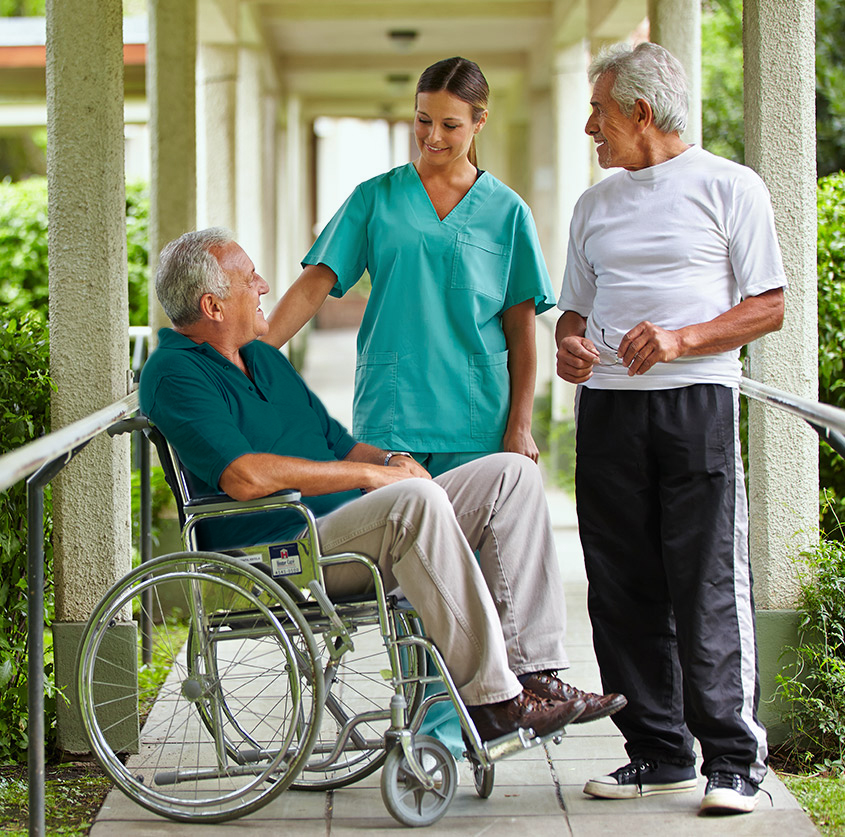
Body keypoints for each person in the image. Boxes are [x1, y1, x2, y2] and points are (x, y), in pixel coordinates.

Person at [140, 228, 625, 747]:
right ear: (213, 306)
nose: (263, 285)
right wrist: (375, 478)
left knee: (513, 474)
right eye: (248, 278)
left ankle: (533, 676)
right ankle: (494, 703)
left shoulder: (261, 358)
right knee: (411, 501)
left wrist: (392, 460)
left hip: (354, 528)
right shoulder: (174, 373)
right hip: (284, 549)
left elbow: (339, 445)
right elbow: (244, 476)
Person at [261, 56, 575, 751]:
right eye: (422, 120)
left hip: (478, 419)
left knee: (479, 583)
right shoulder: (376, 198)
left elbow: (523, 330)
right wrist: (256, 346)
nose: (432, 136)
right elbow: (316, 285)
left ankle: (478, 719)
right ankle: (429, 731)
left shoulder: (505, 211)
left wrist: (520, 424)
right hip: (394, 422)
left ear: (479, 122)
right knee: (407, 584)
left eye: (450, 125)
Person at [555, 42, 786, 816]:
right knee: (620, 584)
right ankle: (657, 752)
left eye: (598, 110)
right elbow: (575, 314)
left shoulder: (730, 185)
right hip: (610, 409)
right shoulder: (594, 205)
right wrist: (569, 346)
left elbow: (768, 305)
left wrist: (682, 338)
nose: (591, 125)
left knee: (704, 581)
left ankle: (732, 760)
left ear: (639, 112)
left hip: (696, 405)